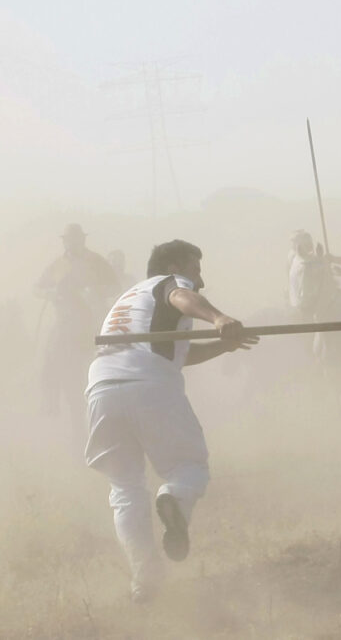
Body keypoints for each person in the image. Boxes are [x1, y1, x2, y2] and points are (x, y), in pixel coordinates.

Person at [84, 240, 257, 602]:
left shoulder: (130, 299)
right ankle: (175, 499)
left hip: (101, 388)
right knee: (189, 467)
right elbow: (182, 297)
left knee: (125, 489)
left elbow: (175, 353)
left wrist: (221, 347)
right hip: (148, 384)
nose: (201, 280)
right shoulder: (170, 284)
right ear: (176, 266)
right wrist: (219, 319)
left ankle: (144, 581)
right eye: (196, 269)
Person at [35, 223, 118, 421]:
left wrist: (96, 290)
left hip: (93, 320)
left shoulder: (96, 261)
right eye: (67, 239)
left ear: (82, 239)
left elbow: (115, 286)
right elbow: (36, 288)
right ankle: (51, 401)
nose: (70, 243)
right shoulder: (57, 264)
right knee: (48, 355)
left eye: (74, 239)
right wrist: (49, 292)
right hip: (65, 321)